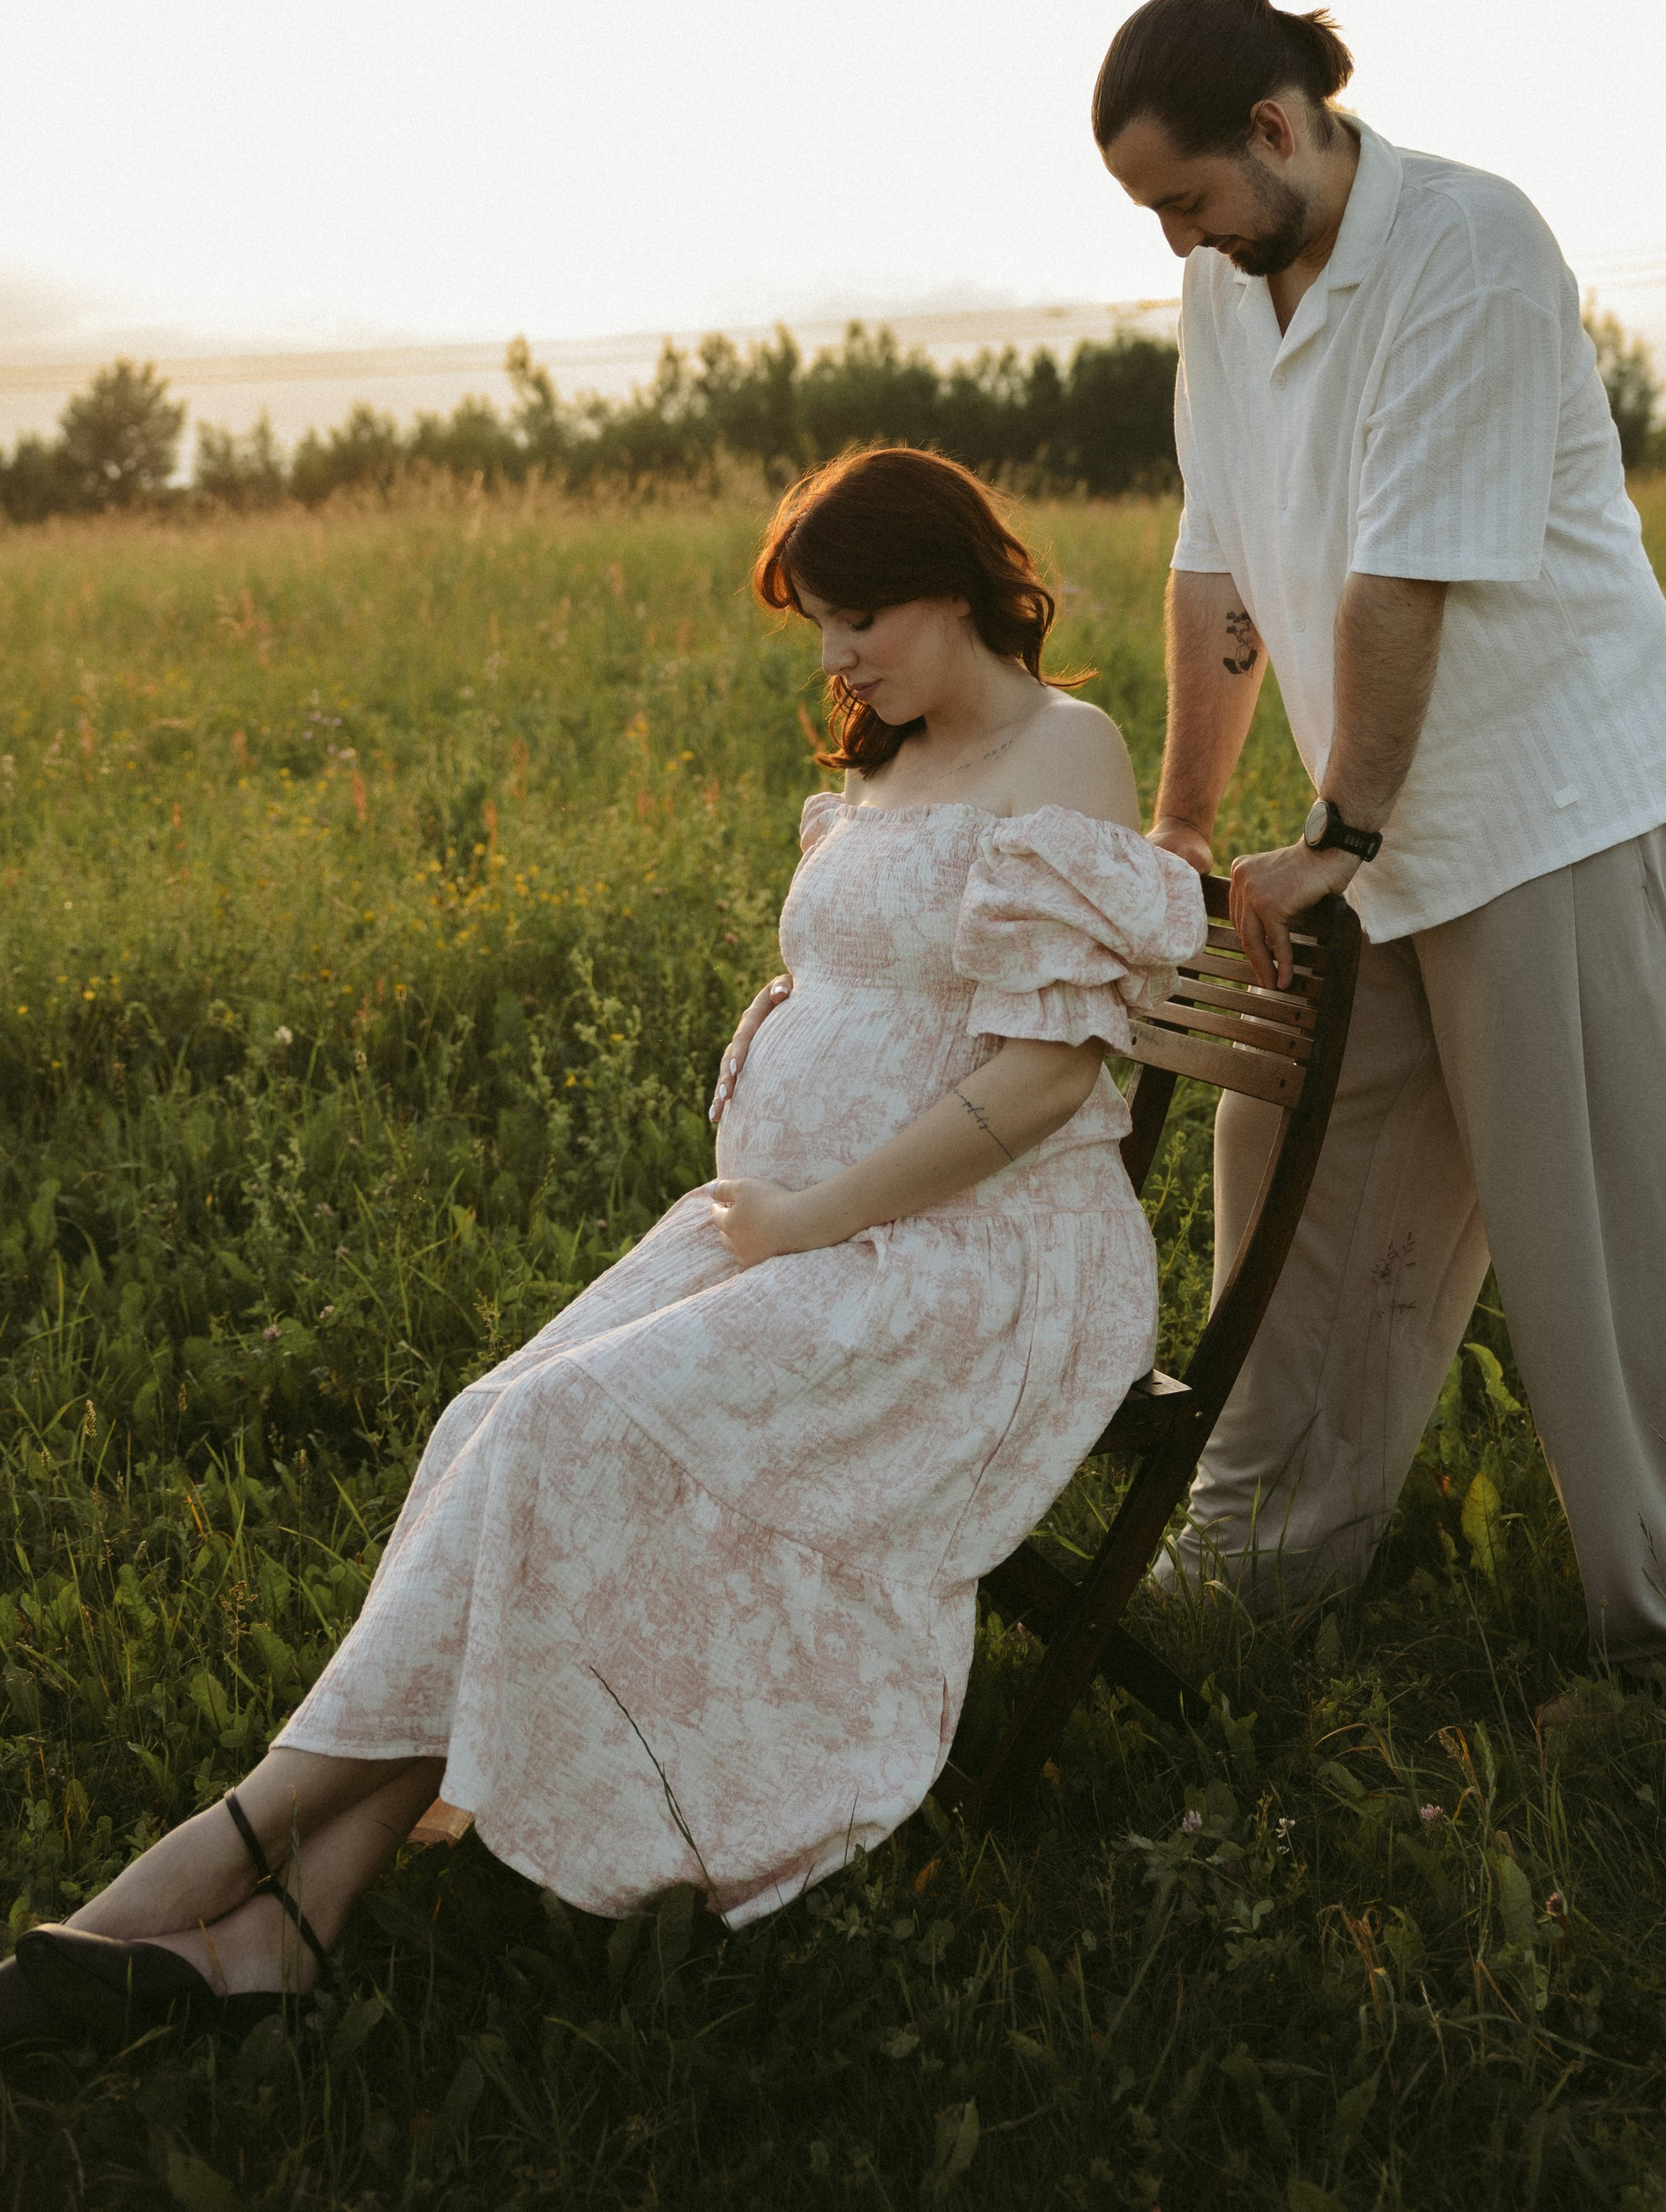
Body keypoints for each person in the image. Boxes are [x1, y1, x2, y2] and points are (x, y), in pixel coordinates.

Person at [5, 448, 1206, 2046]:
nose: (838, 656)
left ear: (961, 585)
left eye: (861, 616)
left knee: (568, 1432)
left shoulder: (1067, 751)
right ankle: (289, 1923)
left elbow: (1050, 1075)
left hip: (976, 1269)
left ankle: (224, 1855)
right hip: (808, 1237)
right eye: (822, 626)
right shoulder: (890, 757)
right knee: (504, 1421)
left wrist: (804, 1216)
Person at [1091, 0, 1666, 1655]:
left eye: (1186, 202)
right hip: (1365, 839)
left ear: (1276, 124)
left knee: (1591, 1246)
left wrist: (1332, 835)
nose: (1174, 243)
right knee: (1296, 1199)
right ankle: (1257, 1568)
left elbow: (1401, 579)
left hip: (1546, 811)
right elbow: (1214, 568)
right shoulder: (1217, 290)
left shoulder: (1463, 244)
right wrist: (1186, 817)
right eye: (1152, 219)